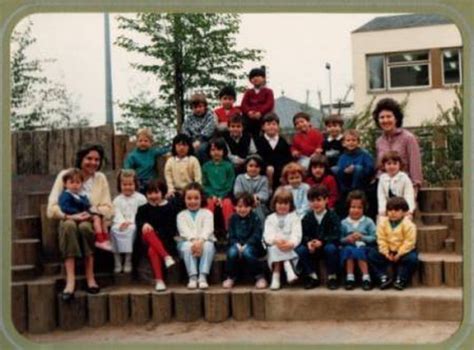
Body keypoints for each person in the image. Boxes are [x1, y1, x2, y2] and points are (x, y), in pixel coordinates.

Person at [47, 144, 113, 301]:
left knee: (84, 227)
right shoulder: (66, 175)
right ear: (81, 159)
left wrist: (91, 213)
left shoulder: (100, 178)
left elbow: (108, 208)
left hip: (90, 220)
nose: (93, 162)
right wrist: (70, 216)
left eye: (97, 159)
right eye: (89, 158)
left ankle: (90, 277)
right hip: (68, 218)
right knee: (69, 226)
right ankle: (70, 281)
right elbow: (51, 208)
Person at [373, 98, 423, 193]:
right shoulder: (379, 141)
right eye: (382, 117)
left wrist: (414, 189)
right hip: (383, 187)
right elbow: (380, 167)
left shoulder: (408, 138)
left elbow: (415, 166)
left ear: (396, 118)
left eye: (389, 116)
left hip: (403, 187)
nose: (385, 120)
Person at [295, 185, 341, 290]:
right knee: (301, 250)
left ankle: (332, 277)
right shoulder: (307, 217)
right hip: (313, 249)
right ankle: (312, 276)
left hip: (327, 246)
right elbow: (303, 234)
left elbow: (336, 234)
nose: (315, 203)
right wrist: (309, 242)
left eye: (319, 200)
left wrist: (322, 241)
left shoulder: (332, 215)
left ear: (326, 200)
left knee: (331, 248)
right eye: (312, 201)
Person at [135, 180, 177, 291]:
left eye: (156, 192)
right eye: (150, 193)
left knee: (152, 250)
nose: (153, 196)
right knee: (148, 230)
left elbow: (171, 228)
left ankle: (159, 280)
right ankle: (166, 257)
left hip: (164, 241)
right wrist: (144, 225)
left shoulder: (170, 208)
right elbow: (138, 223)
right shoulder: (142, 209)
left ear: (163, 192)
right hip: (146, 239)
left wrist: (157, 233)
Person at [368, 197, 418, 290]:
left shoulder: (409, 225)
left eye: (396, 210)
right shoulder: (382, 223)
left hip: (403, 251)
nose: (392, 212)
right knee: (372, 254)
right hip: (388, 251)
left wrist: (399, 254)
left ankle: (401, 278)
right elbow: (381, 239)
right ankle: (382, 277)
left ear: (404, 212)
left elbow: (409, 242)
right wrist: (386, 253)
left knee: (412, 259)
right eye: (390, 210)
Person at [58, 168, 111, 251]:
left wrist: (91, 209)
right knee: (96, 218)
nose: (75, 185)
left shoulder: (80, 195)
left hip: (83, 214)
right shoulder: (66, 195)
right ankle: (100, 239)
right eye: (72, 182)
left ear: (81, 184)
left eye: (78, 182)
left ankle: (106, 238)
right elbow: (64, 207)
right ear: (65, 184)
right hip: (74, 216)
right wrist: (77, 213)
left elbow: (87, 204)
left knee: (102, 217)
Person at [222, 193, 267, 289]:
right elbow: (231, 235)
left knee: (248, 252)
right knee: (232, 252)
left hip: (253, 245)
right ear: (235, 207)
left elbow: (257, 235)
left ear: (251, 207)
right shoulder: (232, 219)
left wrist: (247, 244)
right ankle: (230, 277)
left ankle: (259, 276)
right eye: (240, 206)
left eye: (246, 206)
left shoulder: (255, 218)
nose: (242, 209)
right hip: (237, 244)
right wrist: (236, 244)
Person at [176, 182, 216, 289]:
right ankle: (192, 277)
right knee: (186, 246)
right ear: (184, 199)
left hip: (204, 241)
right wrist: (194, 241)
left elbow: (208, 229)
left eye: (196, 198)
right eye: (189, 198)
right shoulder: (181, 215)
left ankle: (202, 276)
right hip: (187, 242)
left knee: (208, 246)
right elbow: (184, 232)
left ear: (201, 199)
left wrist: (201, 241)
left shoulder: (207, 213)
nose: (192, 201)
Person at [263, 188, 302, 290]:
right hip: (276, 244)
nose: (282, 206)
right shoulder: (270, 218)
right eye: (279, 203)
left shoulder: (294, 217)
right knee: (274, 248)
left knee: (282, 247)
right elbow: (267, 235)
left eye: (286, 203)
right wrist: (275, 240)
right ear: (274, 204)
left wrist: (291, 243)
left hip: (290, 245)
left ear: (290, 205)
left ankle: (276, 275)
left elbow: (297, 234)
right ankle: (286, 267)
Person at [110, 169, 147, 274]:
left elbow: (141, 213)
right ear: (120, 185)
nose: (127, 187)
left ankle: (128, 259)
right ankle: (117, 261)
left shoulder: (141, 198)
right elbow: (116, 212)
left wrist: (130, 222)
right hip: (120, 223)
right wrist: (121, 222)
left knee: (130, 230)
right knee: (114, 230)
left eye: (130, 184)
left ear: (135, 184)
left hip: (133, 223)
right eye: (124, 184)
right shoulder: (117, 199)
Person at [340, 191, 376, 291]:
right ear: (348, 208)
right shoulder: (344, 223)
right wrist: (347, 239)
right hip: (349, 247)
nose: (356, 210)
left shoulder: (368, 221)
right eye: (353, 207)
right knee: (348, 250)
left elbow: (374, 237)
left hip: (364, 247)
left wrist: (362, 237)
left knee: (359, 250)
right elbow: (339, 239)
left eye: (359, 208)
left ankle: (366, 278)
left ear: (364, 208)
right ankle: (350, 277)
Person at [202, 137, 235, 232]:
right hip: (210, 195)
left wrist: (221, 196)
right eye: (213, 150)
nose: (216, 152)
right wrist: (212, 195)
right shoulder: (206, 166)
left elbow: (230, 184)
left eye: (219, 149)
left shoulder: (228, 166)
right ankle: (208, 231)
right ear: (209, 151)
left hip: (225, 195)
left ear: (224, 151)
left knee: (227, 204)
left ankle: (229, 231)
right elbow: (205, 184)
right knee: (208, 204)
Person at [123, 128, 169, 193]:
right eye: (140, 141)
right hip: (138, 181)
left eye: (146, 141)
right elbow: (127, 169)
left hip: (151, 181)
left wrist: (171, 149)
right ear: (136, 142)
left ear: (150, 142)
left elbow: (163, 150)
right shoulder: (132, 156)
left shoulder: (152, 152)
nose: (143, 143)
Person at [254, 113, 292, 191]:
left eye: (274, 124)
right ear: (263, 127)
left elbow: (288, 158)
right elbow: (258, 158)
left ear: (278, 126)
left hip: (281, 172)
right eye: (268, 124)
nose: (271, 126)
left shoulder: (283, 141)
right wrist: (266, 167)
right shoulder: (258, 141)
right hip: (265, 171)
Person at [164, 133, 202, 210]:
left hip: (191, 191)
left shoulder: (193, 160)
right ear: (174, 147)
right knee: (171, 202)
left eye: (184, 145)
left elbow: (198, 179)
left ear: (189, 147)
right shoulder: (170, 161)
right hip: (175, 192)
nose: (181, 148)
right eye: (179, 145)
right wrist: (171, 190)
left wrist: (194, 190)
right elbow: (168, 178)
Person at [377, 151, 416, 220]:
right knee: (381, 219)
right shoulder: (382, 179)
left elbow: (409, 195)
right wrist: (382, 210)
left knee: (407, 219)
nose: (392, 166)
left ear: (399, 165)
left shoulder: (404, 178)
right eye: (389, 164)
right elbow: (381, 196)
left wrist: (409, 210)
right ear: (384, 165)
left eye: (395, 164)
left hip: (402, 209)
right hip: (389, 209)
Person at [335, 129, 375, 195]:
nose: (351, 142)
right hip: (347, 180)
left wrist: (355, 168)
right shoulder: (342, 156)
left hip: (361, 181)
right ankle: (342, 191)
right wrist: (345, 170)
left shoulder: (364, 154)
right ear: (344, 143)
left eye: (354, 140)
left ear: (358, 142)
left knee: (358, 168)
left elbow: (370, 168)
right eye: (348, 140)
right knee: (335, 169)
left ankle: (355, 191)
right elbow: (340, 168)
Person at [233, 154, 270, 225]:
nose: (253, 169)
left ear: (261, 168)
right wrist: (250, 198)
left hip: (259, 205)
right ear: (246, 166)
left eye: (256, 166)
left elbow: (265, 195)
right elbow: (237, 192)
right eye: (250, 166)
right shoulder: (240, 178)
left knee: (258, 211)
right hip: (243, 204)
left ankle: (260, 231)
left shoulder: (263, 179)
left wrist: (257, 197)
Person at [181, 93, 217, 163]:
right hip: (192, 140)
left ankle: (204, 168)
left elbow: (209, 128)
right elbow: (185, 129)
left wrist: (200, 140)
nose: (198, 109)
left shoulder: (209, 115)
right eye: (195, 107)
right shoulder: (189, 117)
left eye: (200, 107)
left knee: (201, 149)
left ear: (205, 106)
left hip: (206, 140)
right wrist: (189, 140)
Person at [240, 67, 275, 138]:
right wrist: (249, 112)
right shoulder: (248, 92)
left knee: (267, 121)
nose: (255, 78)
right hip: (250, 116)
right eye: (253, 77)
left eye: (258, 76)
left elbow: (269, 104)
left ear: (264, 78)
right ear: (250, 80)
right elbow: (244, 104)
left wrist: (260, 112)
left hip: (263, 115)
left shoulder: (268, 91)